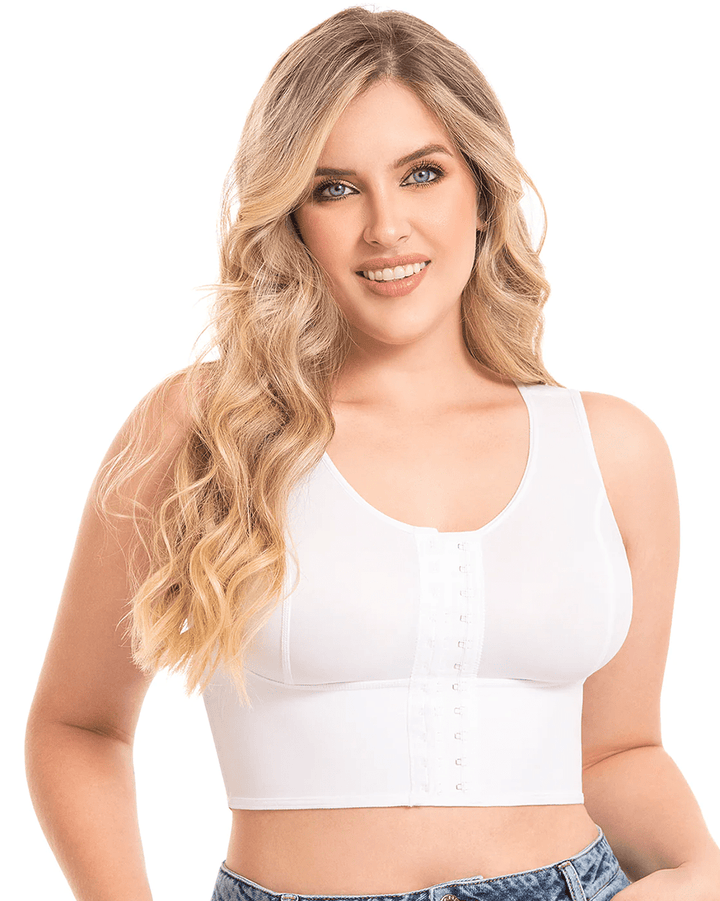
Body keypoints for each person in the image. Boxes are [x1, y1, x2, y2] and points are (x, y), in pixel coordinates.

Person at [24, 6, 720, 901]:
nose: (387, 227)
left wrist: (703, 872)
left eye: (422, 174)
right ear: (291, 217)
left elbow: (619, 750)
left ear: (482, 193)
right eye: (335, 188)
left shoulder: (613, 450)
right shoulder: (206, 429)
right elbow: (76, 728)